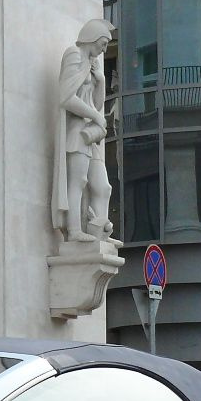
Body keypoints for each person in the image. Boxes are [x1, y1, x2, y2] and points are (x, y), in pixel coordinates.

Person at [52, 18, 115, 244]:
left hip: (91, 134)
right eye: (103, 43)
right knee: (77, 181)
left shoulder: (92, 64)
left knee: (103, 186)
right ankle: (75, 230)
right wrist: (96, 116)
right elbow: (66, 97)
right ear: (92, 37)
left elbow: (98, 104)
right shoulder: (73, 55)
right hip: (77, 132)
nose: (104, 49)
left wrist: (101, 80)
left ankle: (100, 232)